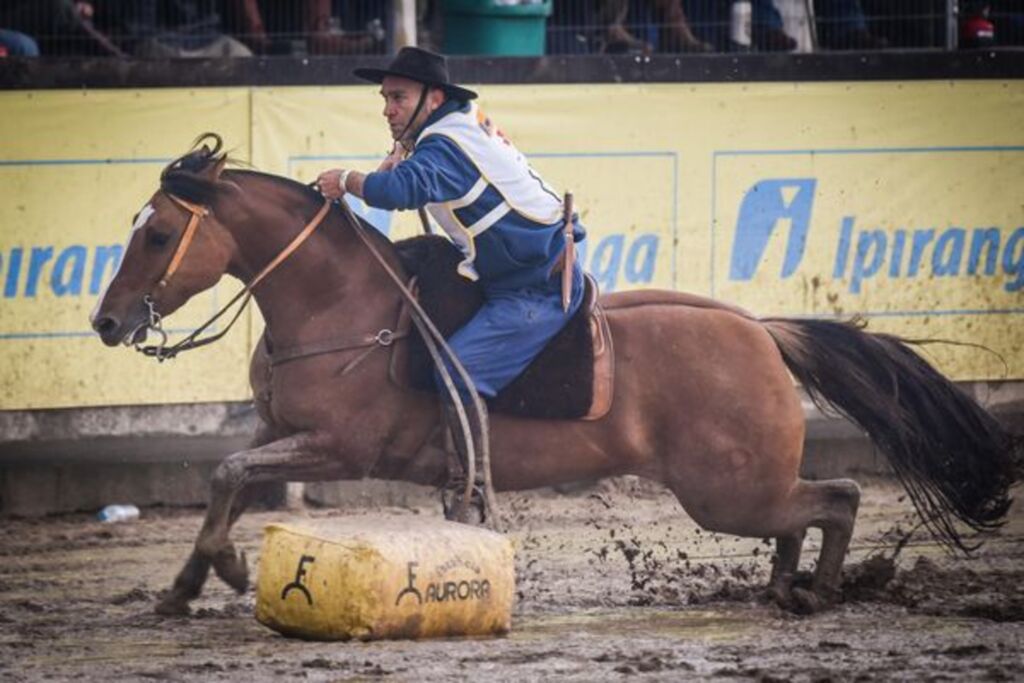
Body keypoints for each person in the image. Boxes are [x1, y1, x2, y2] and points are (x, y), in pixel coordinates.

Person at [316, 47, 586, 522]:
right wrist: (398, 155)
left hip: (532, 290)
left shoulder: (445, 144)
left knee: (457, 371)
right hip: (515, 272)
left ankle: (472, 495)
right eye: (385, 98)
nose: (387, 109)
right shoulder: (453, 125)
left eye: (398, 97)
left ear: (433, 98)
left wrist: (345, 179)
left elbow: (396, 191)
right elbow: (402, 175)